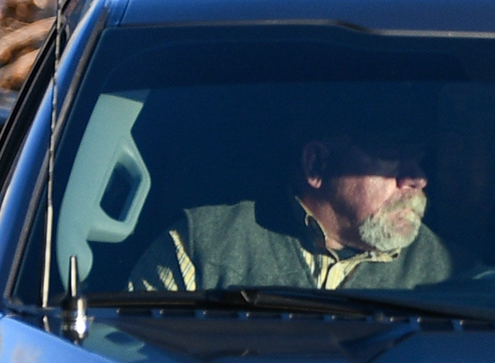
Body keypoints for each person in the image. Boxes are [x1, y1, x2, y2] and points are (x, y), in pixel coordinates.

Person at [149, 108, 457, 292]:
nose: (417, 178)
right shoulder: (199, 247)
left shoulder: (453, 277)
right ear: (317, 164)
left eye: (417, 159)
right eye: (392, 156)